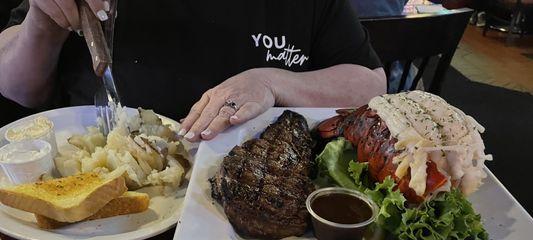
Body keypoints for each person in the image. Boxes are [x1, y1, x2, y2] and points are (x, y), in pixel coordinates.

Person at [0, 0, 386, 141]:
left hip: (246, 228)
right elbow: (17, 87)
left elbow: (369, 83)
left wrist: (271, 81)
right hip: (98, 224)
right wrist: (43, 22)